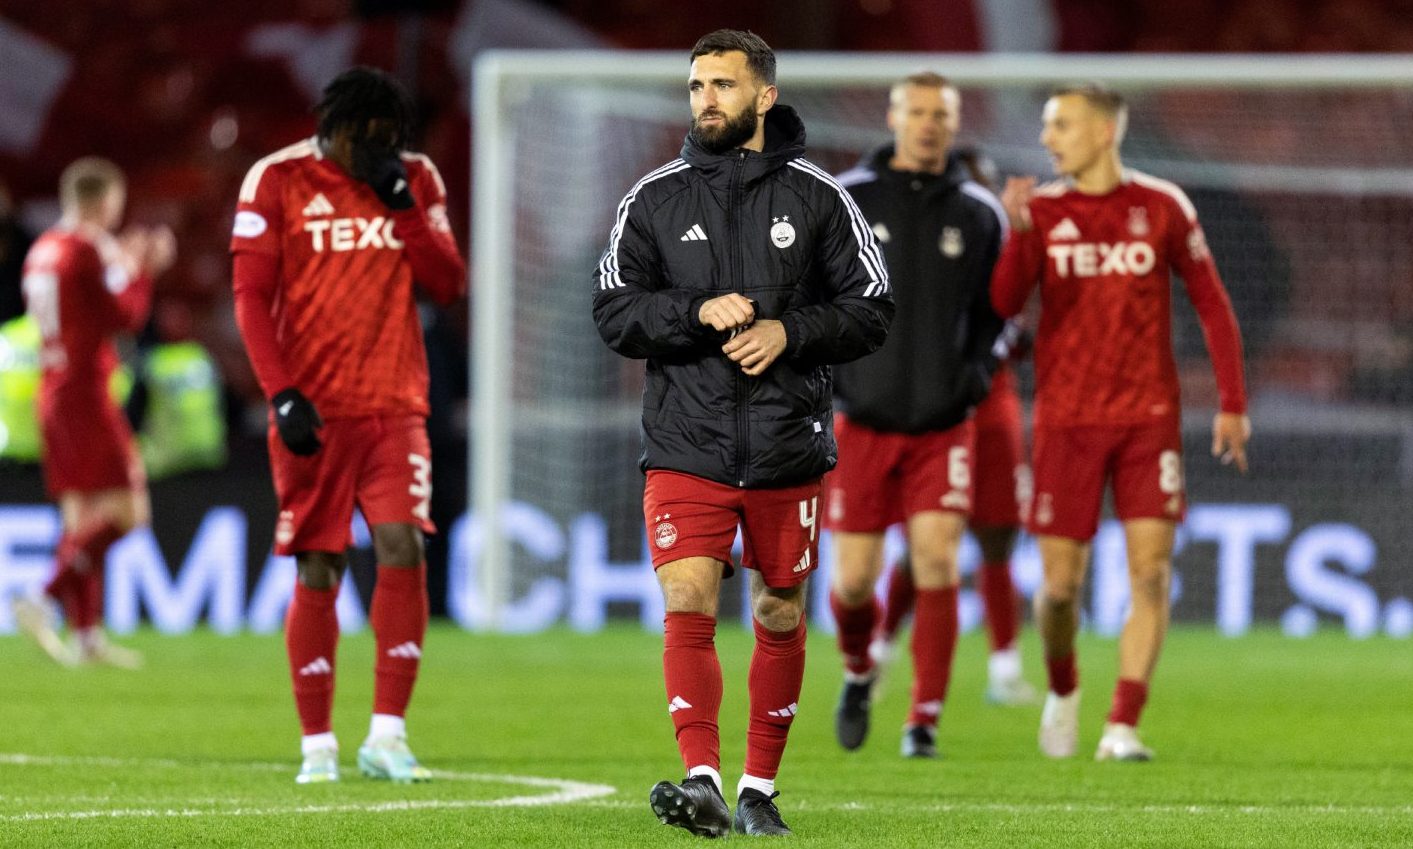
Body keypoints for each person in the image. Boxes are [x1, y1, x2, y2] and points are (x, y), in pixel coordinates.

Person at [592, 29, 893, 838]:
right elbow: (614, 310)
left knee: (781, 610)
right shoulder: (651, 197)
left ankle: (758, 786)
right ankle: (702, 781)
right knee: (686, 595)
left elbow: (871, 308)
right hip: (686, 441)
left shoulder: (820, 196)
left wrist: (788, 334)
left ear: (763, 96)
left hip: (785, 441)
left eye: (722, 85)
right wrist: (693, 310)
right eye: (695, 86)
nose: (705, 99)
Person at [992, 83, 1250, 762]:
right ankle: (1063, 684)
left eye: (1061, 126)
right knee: (1057, 591)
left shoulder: (1162, 206)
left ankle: (1121, 723)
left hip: (1147, 420)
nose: (1048, 140)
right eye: (1047, 126)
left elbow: (1212, 305)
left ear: (1104, 132)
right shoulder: (1041, 210)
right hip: (1065, 422)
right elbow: (1004, 301)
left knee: (1151, 576)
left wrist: (1231, 401)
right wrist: (1017, 235)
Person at [230, 67, 465, 785]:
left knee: (402, 546)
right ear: (327, 129)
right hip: (315, 409)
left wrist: (403, 209)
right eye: (358, 141)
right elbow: (249, 297)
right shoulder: (275, 179)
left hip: (396, 404)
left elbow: (449, 283)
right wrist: (281, 394)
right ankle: (316, 744)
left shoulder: (414, 177)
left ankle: (387, 735)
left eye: (382, 141)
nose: (369, 153)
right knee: (319, 561)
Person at [825, 73, 1008, 759]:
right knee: (850, 582)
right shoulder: (846, 199)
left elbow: (997, 313)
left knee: (936, 561)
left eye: (942, 114)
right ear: (893, 116)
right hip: (862, 420)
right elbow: (816, 295)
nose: (929, 124)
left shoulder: (977, 211)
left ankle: (922, 718)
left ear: (955, 123)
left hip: (941, 423)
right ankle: (857, 668)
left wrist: (973, 376)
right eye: (918, 112)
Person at [866, 144, 1038, 709]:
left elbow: (1017, 322)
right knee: (925, 546)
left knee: (997, 536)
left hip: (993, 411)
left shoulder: (1001, 239)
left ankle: (1005, 667)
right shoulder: (938, 243)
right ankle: (880, 652)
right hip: (937, 411)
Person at [11, 157, 174, 668]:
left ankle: (87, 638)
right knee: (128, 513)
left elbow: (85, 300)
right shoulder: (87, 246)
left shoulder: (43, 248)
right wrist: (143, 271)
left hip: (53, 389)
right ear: (104, 200)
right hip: (86, 390)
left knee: (81, 516)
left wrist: (121, 267)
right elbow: (124, 316)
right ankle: (43, 595)